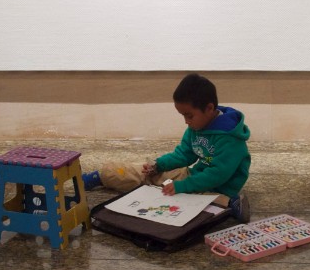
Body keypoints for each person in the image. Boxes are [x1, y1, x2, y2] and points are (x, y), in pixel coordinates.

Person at [83, 73, 252, 222]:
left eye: (189, 115)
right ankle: (105, 175)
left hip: (217, 188)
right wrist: (159, 165)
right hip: (193, 177)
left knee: (212, 204)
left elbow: (217, 175)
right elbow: (183, 155)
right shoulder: (196, 126)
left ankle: (234, 205)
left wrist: (182, 187)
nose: (186, 121)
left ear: (209, 108)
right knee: (148, 173)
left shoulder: (231, 139)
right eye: (183, 116)